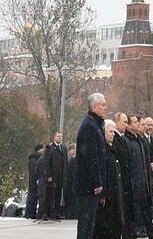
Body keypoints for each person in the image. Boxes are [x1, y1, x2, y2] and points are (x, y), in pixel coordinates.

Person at [78, 94, 113, 239]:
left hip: (92, 184)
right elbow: (90, 157)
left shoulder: (95, 124)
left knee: (92, 224)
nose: (105, 108)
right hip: (89, 185)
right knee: (86, 225)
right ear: (94, 107)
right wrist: (97, 182)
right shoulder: (89, 126)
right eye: (103, 105)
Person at [46, 133, 70, 221]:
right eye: (58, 136)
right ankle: (51, 213)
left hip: (61, 176)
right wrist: (49, 175)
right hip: (53, 176)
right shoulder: (50, 148)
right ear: (54, 137)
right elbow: (47, 163)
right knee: (52, 194)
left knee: (58, 194)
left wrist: (65, 174)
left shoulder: (63, 148)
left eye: (61, 137)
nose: (60, 138)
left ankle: (57, 213)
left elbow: (66, 162)